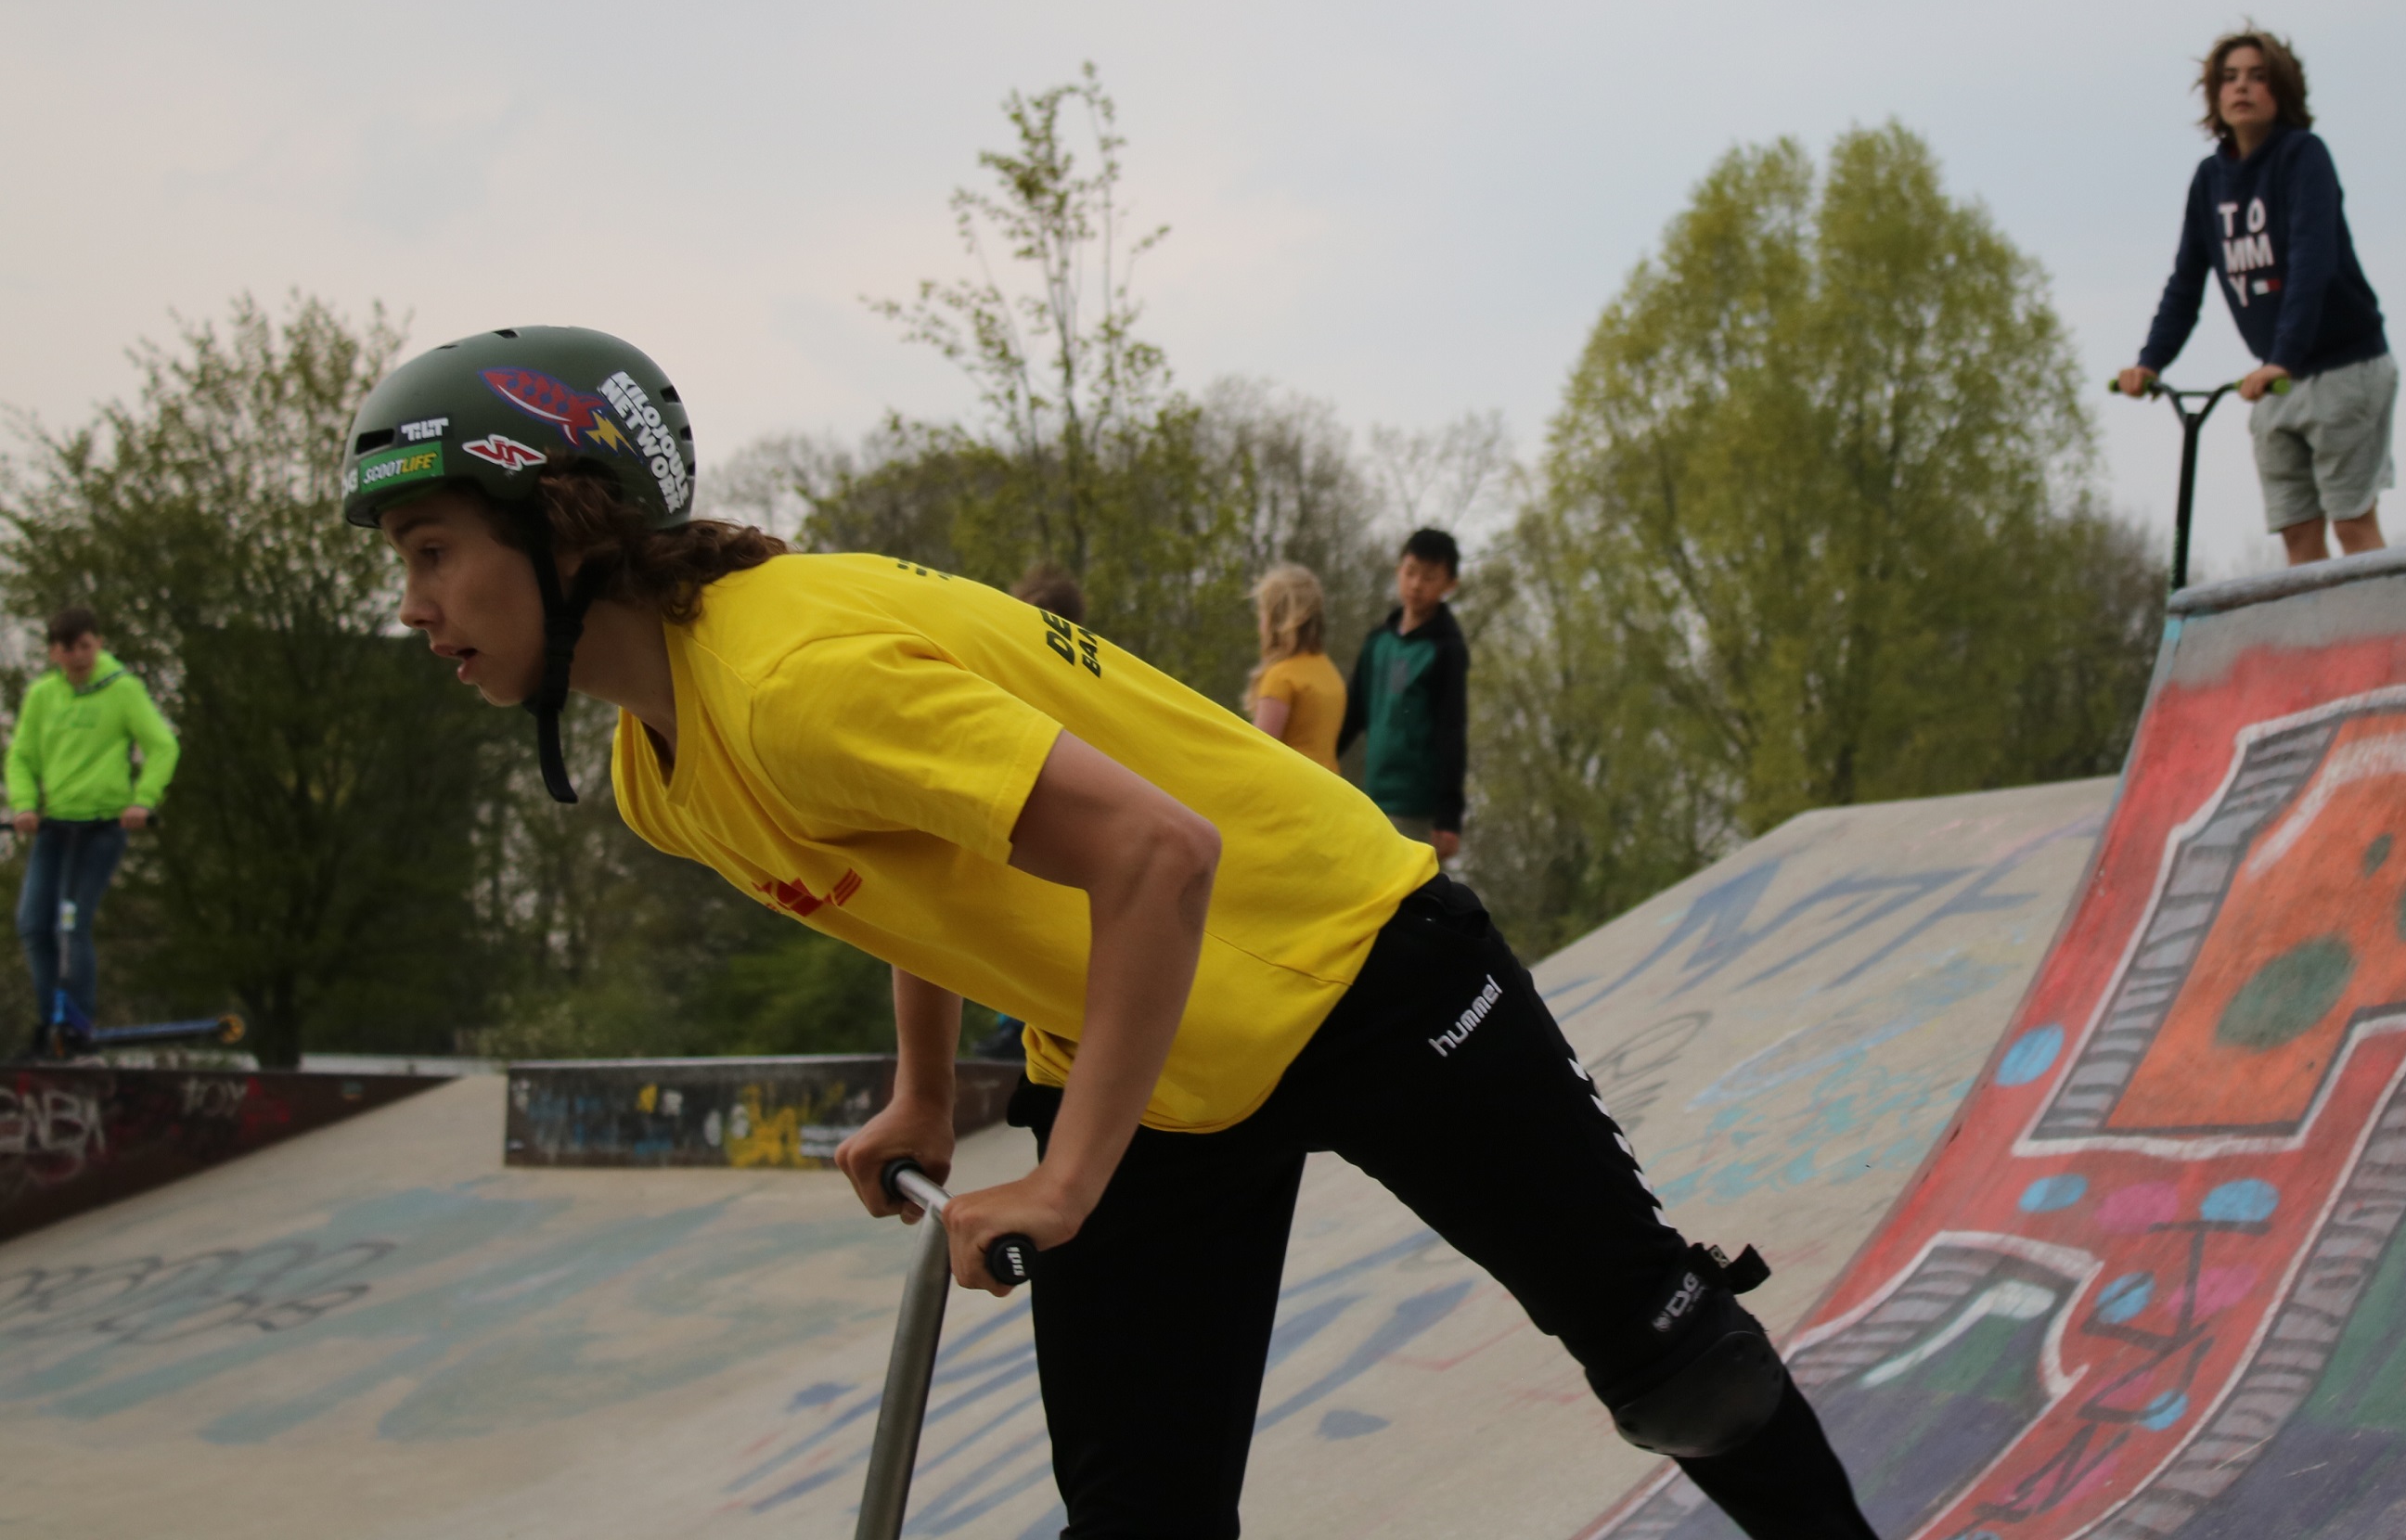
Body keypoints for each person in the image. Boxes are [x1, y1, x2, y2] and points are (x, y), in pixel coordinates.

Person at [340, 327, 1879, 1540]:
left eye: (429, 555)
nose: (412, 609)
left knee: (1676, 1365)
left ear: (564, 526)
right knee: (1139, 1514)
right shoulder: (655, 768)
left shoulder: (787, 677)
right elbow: (910, 875)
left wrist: (1069, 1175)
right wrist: (931, 1094)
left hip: (1356, 961)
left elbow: (1160, 853)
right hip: (1148, 1054)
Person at [2119, 27, 2396, 566]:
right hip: (2275, 379)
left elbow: (2313, 263)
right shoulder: (2209, 180)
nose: (2241, 88)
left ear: (2281, 91)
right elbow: (2185, 282)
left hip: (2344, 366)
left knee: (2353, 524)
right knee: (2297, 535)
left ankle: (2396, 648)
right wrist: (2150, 362)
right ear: (2214, 96)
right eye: (2229, 78)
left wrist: (2281, 358)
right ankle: (2317, 650)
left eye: (2257, 76)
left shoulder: (2304, 157)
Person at [8, 605, 180, 1055]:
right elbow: (21, 757)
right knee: (32, 923)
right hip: (55, 825)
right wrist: (24, 805)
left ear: (98, 643)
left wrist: (143, 800)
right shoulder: (43, 696)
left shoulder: (123, 689)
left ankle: (78, 1025)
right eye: (68, 649)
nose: (79, 656)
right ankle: (52, 1023)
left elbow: (162, 746)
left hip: (103, 826)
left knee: (71, 924)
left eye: (85, 645)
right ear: (53, 653)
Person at [1336, 529, 1468, 860]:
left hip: (1416, 809)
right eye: (1410, 572)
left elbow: (1452, 732)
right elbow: (1351, 715)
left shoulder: (1446, 651)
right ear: (1398, 571)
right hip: (1371, 800)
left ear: (1450, 584)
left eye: (1429, 577)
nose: (1416, 585)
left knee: (1408, 906)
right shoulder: (1377, 643)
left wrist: (1449, 817)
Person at [1244, 564, 1345, 772]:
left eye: (1263, 613)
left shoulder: (1281, 678)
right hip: (1327, 791)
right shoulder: (1331, 674)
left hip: (1291, 794)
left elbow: (1258, 756)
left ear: (1277, 620)